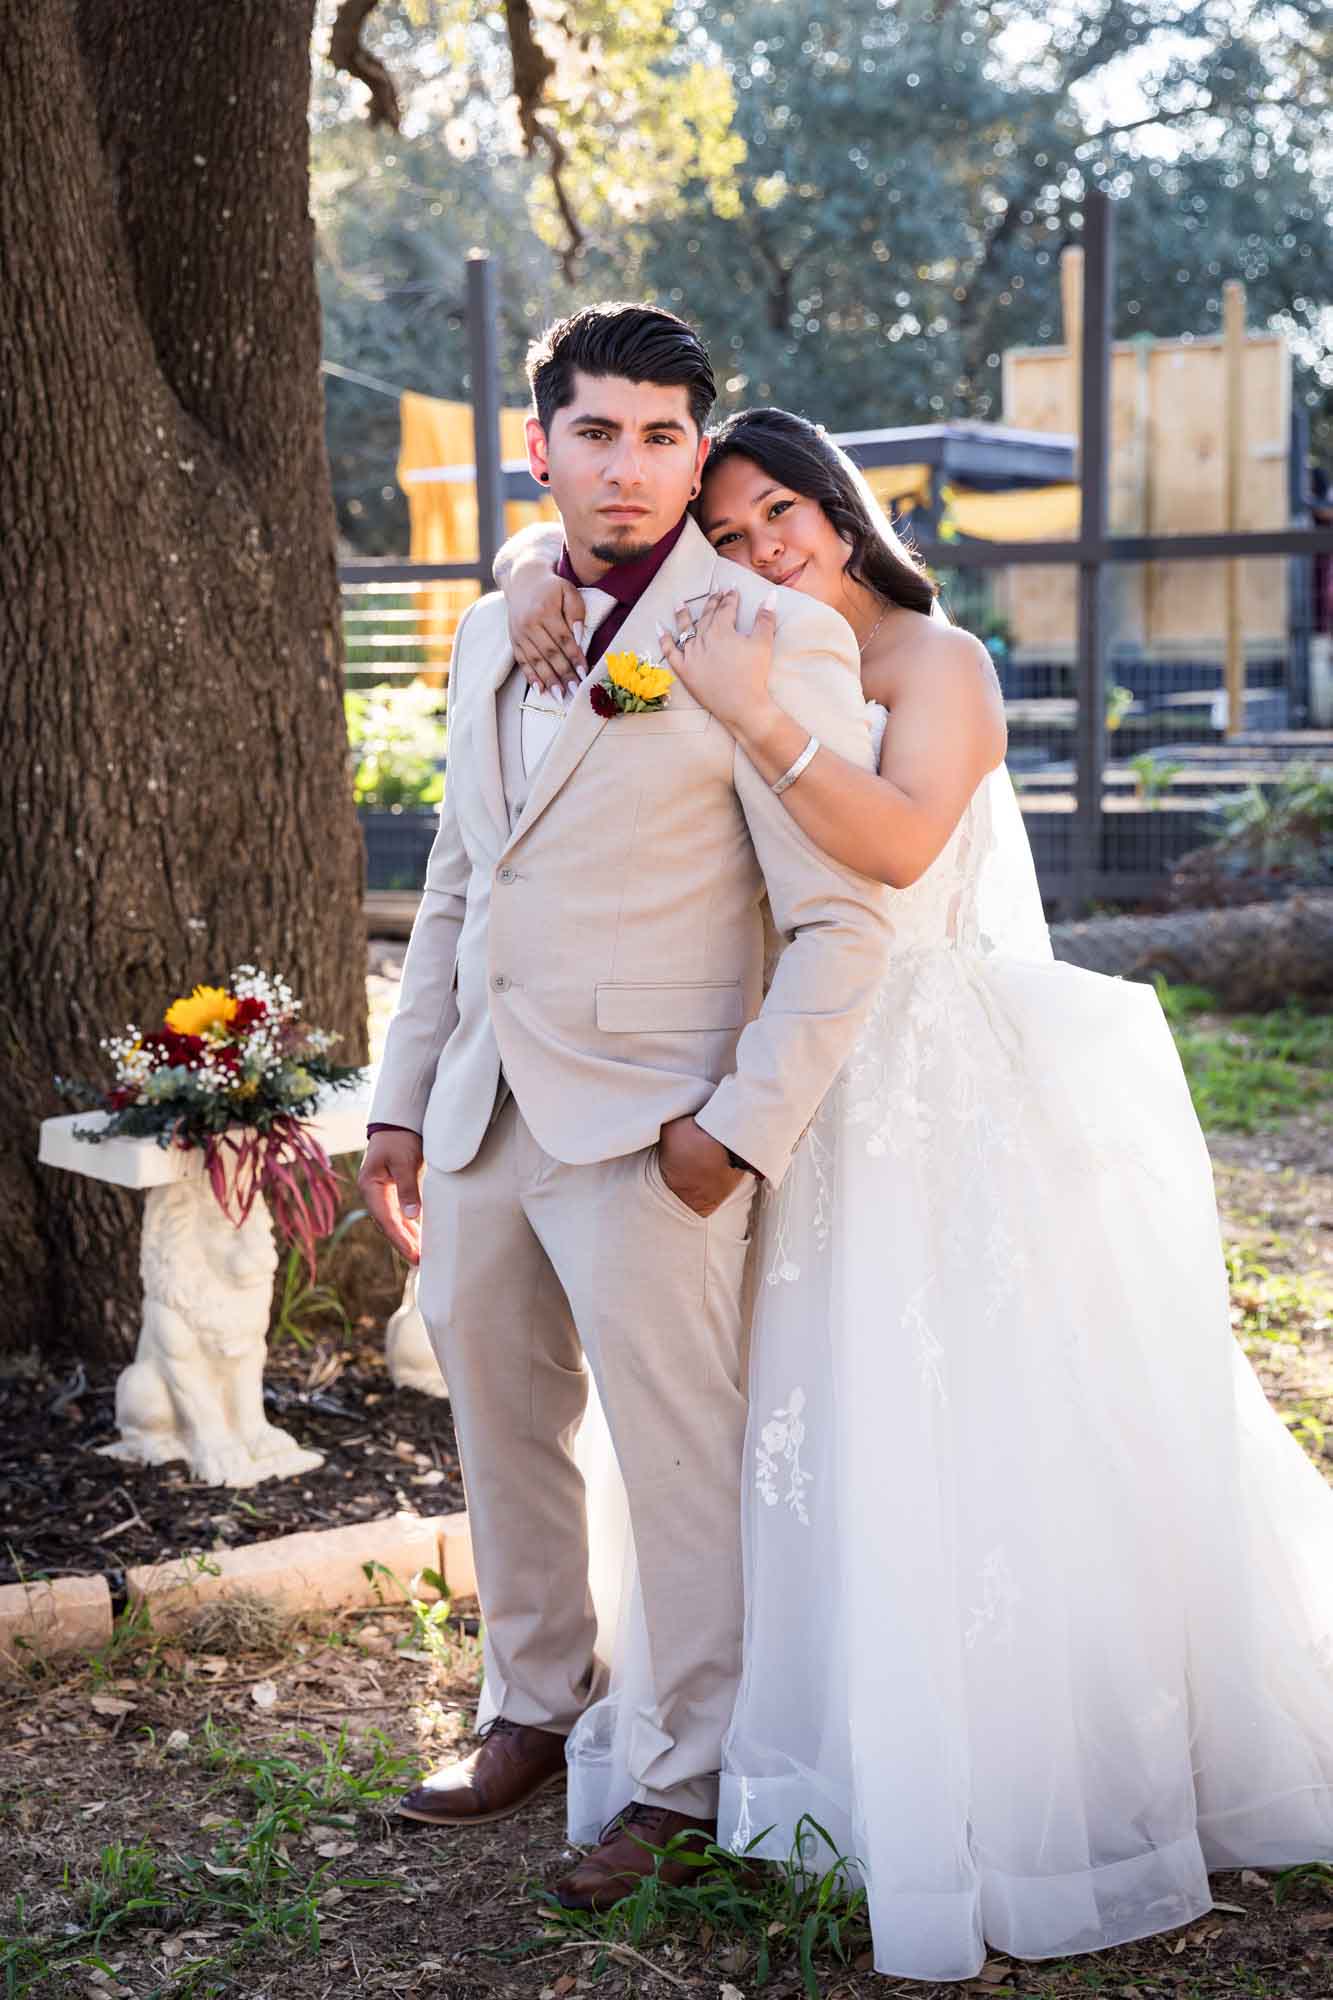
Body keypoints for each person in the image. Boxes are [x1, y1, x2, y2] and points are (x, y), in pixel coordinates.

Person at [496, 405, 1333, 1980]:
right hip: (784, 1075)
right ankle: (791, 1749)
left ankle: (997, 1768)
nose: (756, 552)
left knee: (966, 1411)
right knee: (783, 1425)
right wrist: (533, 552)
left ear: (835, 503)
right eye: (730, 537)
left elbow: (895, 846)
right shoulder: (730, 629)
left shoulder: (927, 662)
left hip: (932, 1078)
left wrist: (758, 717)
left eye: (775, 519)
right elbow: (595, 557)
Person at [357, 318, 889, 1913]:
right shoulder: (489, 625)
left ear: (695, 446)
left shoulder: (760, 632)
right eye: (598, 433)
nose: (631, 467)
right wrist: (399, 1100)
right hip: (483, 1108)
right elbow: (464, 876)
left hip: (659, 1122)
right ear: (542, 448)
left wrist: (737, 1124)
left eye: (665, 436)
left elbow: (841, 919)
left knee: (677, 1456)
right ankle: (534, 1701)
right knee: (497, 1419)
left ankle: (689, 1770)